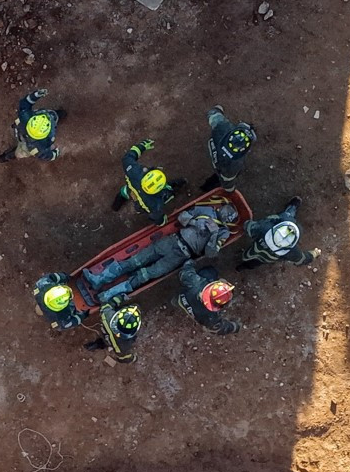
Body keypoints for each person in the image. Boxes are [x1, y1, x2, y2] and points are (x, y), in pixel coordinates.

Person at [84, 202, 238, 302]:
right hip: (171, 241)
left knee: (145, 275)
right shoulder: (205, 210)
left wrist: (213, 235)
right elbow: (182, 217)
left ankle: (108, 295)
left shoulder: (223, 232)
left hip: (181, 255)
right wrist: (195, 223)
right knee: (135, 261)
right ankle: (99, 279)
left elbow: (211, 253)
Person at [110, 139, 185, 225]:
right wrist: (163, 221)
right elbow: (157, 218)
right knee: (169, 192)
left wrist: (142, 146)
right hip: (141, 204)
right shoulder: (155, 204)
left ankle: (115, 206)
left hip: (131, 188)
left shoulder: (135, 172)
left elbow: (127, 158)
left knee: (124, 192)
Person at [237, 197, 321, 270]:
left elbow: (248, 226)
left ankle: (242, 265)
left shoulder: (263, 228)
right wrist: (314, 253)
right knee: (255, 263)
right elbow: (302, 259)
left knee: (247, 257)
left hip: (253, 250)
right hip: (267, 259)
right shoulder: (291, 251)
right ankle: (242, 267)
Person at [175, 260, 242, 335]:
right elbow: (217, 329)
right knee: (211, 272)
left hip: (183, 298)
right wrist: (234, 327)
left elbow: (185, 272)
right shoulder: (211, 317)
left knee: (209, 272)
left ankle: (176, 301)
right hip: (195, 310)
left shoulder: (195, 282)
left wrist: (190, 263)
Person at [200, 105, 257, 192]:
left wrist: (216, 111)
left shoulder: (224, 127)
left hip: (213, 145)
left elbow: (214, 116)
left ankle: (206, 186)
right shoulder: (234, 164)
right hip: (220, 165)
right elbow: (227, 180)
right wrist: (230, 190)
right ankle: (207, 187)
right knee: (218, 177)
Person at [0, 88, 63, 162]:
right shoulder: (40, 148)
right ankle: (6, 157)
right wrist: (56, 153)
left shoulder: (25, 116)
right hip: (27, 143)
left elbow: (25, 103)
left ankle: (5, 157)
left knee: (19, 125)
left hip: (21, 130)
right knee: (21, 152)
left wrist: (36, 95)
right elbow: (47, 156)